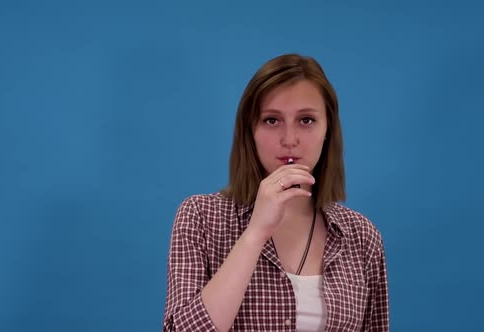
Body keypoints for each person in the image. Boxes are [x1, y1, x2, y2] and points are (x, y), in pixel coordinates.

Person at [162, 54, 389, 332]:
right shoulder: (200, 217)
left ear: (327, 130)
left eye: (306, 120)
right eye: (272, 120)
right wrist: (255, 232)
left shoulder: (363, 237)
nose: (289, 139)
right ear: (251, 132)